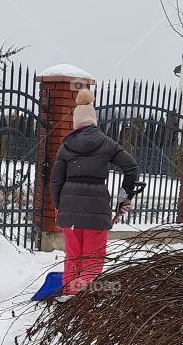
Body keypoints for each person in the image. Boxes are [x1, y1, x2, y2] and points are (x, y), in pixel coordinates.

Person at [50, 88, 139, 295]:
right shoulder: (106, 143)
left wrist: (59, 206)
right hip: (97, 209)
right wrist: (124, 197)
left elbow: (56, 181)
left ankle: (70, 295)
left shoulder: (65, 146)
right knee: (93, 257)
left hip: (69, 209)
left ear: (75, 122)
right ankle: (84, 300)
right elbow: (131, 167)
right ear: (93, 119)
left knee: (72, 256)